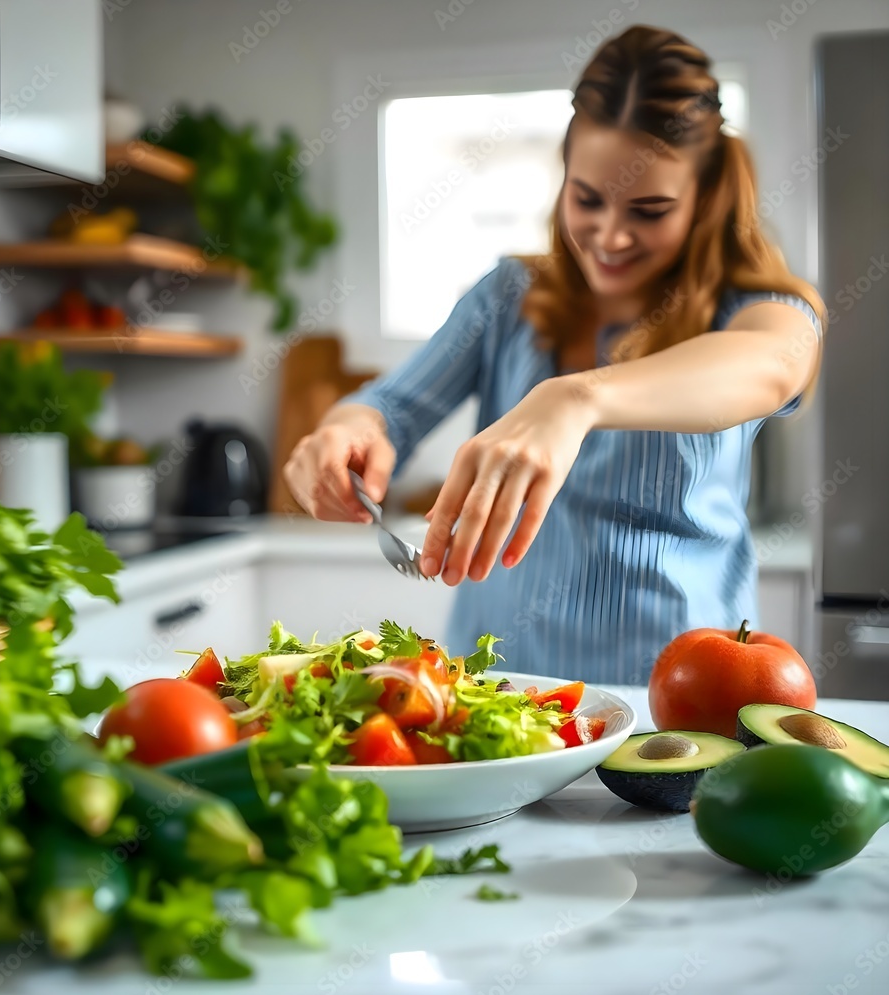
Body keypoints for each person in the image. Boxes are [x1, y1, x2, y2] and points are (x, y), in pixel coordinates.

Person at [283, 25, 825, 685]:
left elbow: (773, 361)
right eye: (587, 199)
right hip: (499, 697)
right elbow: (389, 408)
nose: (610, 235)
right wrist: (347, 430)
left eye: (650, 210)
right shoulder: (507, 298)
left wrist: (574, 398)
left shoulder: (752, 309)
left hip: (675, 705)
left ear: (705, 199)